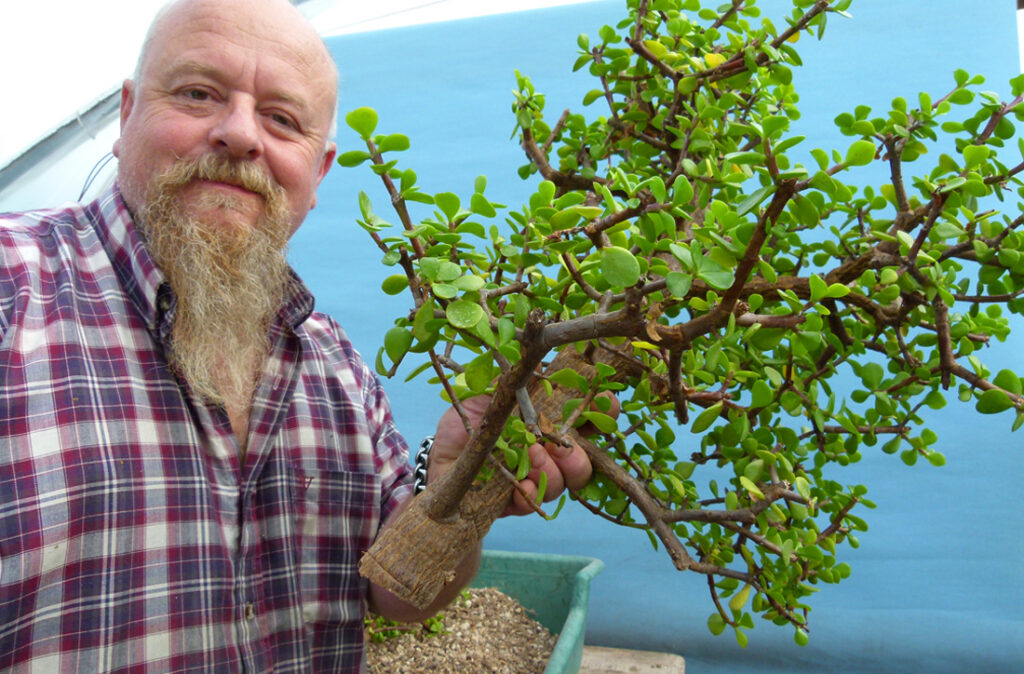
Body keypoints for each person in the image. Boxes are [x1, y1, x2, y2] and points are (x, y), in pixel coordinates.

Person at [0, 0, 592, 671]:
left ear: (319, 175)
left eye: (282, 120)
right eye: (199, 93)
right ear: (125, 114)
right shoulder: (13, 295)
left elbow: (395, 591)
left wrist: (455, 494)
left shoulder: (334, 362)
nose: (240, 134)